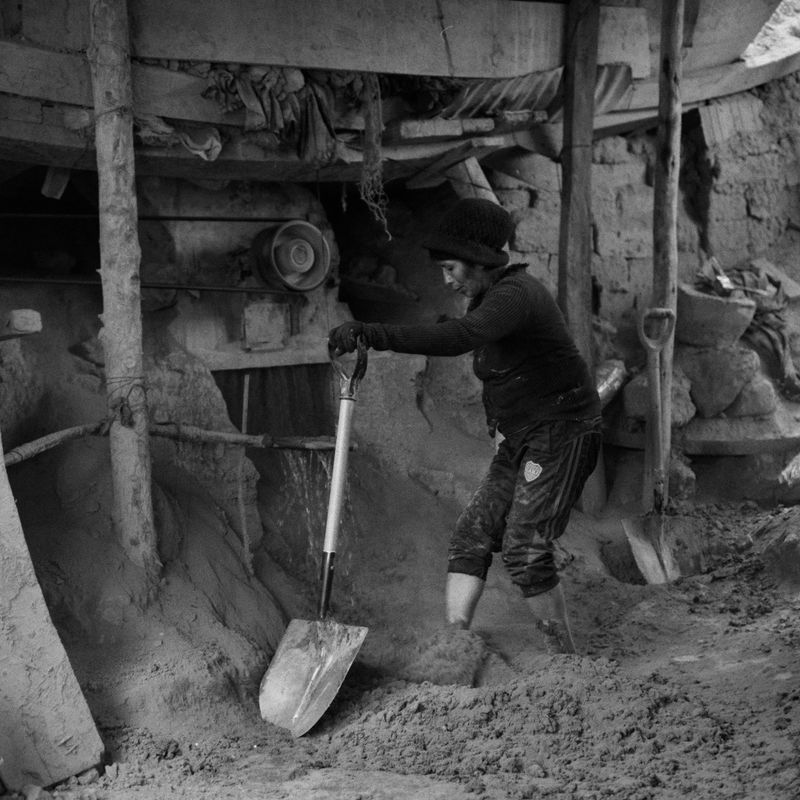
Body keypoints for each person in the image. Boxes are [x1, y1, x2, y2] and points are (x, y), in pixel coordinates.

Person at [328, 197, 602, 654]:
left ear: (480, 261)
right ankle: (455, 643)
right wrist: (501, 427)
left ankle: (567, 660)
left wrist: (375, 334)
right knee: (471, 535)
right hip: (523, 436)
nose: (446, 278)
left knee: (524, 548)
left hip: (562, 431)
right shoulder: (490, 298)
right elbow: (504, 372)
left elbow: (460, 338)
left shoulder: (515, 296)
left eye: (452, 267)